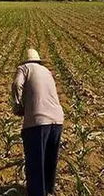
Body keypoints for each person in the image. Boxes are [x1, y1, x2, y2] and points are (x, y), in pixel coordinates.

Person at [11, 49, 64, 196]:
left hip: (38, 121)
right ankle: (48, 191)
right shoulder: (46, 71)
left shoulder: (24, 68)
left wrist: (18, 105)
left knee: (35, 162)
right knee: (49, 159)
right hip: (57, 120)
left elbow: (17, 84)